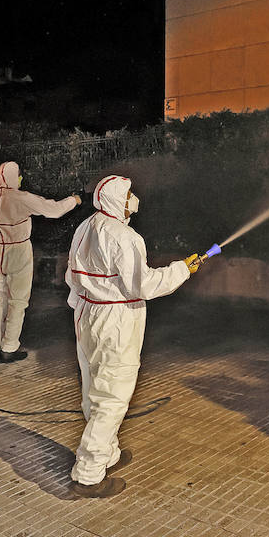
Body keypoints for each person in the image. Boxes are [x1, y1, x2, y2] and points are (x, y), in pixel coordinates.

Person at [64, 175, 201, 498]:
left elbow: (72, 275)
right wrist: (181, 270)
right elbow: (144, 285)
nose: (133, 199)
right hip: (116, 319)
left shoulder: (85, 227)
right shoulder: (125, 237)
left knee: (95, 385)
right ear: (115, 200)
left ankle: (107, 452)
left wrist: (80, 307)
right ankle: (89, 472)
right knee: (113, 396)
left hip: (87, 314)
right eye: (127, 195)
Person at [0, 161, 82, 362]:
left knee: (0, 297)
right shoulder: (21, 198)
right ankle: (9, 348)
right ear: (15, 176)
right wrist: (74, 200)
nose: (21, 178)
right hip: (18, 249)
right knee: (18, 300)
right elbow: (53, 210)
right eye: (19, 175)